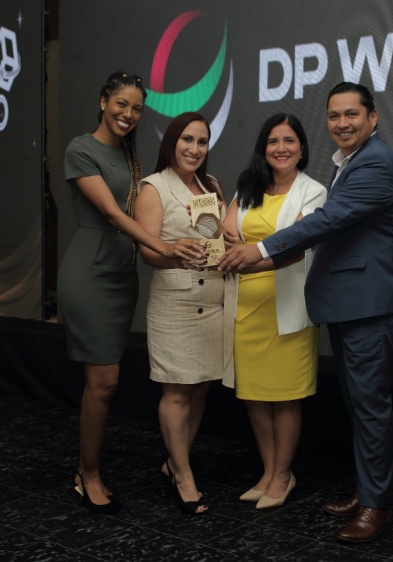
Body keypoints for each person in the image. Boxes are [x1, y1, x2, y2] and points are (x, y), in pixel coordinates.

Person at [219, 82, 393, 542]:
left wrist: (260, 248)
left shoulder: (375, 162)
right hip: (354, 305)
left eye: (352, 114)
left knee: (370, 408)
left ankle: (376, 506)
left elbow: (327, 221)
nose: (342, 123)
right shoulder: (352, 161)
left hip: (372, 306)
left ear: (372, 118)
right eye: (334, 116)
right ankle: (369, 491)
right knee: (360, 405)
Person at [57, 73, 205, 515]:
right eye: (121, 104)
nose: (128, 114)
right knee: (104, 381)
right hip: (89, 273)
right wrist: (164, 246)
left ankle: (90, 468)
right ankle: (88, 474)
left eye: (137, 108)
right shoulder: (81, 148)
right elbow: (108, 211)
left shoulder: (129, 154)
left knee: (106, 381)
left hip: (122, 276)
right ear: (104, 101)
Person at [221, 113, 326, 510]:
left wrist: (248, 257)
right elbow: (227, 232)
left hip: (288, 308)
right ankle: (268, 471)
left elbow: (295, 245)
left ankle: (283, 474)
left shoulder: (313, 191)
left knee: (284, 397)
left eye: (289, 140)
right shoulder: (248, 187)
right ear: (263, 148)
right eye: (273, 141)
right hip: (246, 308)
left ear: (302, 147)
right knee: (255, 395)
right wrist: (245, 251)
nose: (281, 148)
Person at [133, 111, 234, 515]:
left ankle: (175, 462)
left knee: (202, 386)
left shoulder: (212, 185)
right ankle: (184, 475)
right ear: (172, 142)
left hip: (214, 300)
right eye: (187, 140)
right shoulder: (153, 187)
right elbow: (147, 252)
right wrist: (174, 252)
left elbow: (221, 238)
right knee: (176, 392)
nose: (194, 148)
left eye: (202, 141)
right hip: (175, 303)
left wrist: (231, 241)